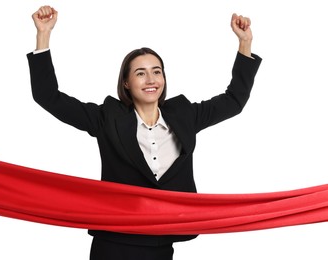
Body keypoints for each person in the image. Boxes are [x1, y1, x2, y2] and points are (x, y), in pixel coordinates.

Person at [27, 5, 262, 260]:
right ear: (127, 83)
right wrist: (43, 36)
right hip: (114, 243)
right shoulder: (107, 118)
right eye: (141, 73)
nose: (151, 79)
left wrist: (245, 43)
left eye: (156, 71)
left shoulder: (184, 115)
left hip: (161, 244)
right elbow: (48, 97)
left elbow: (234, 101)